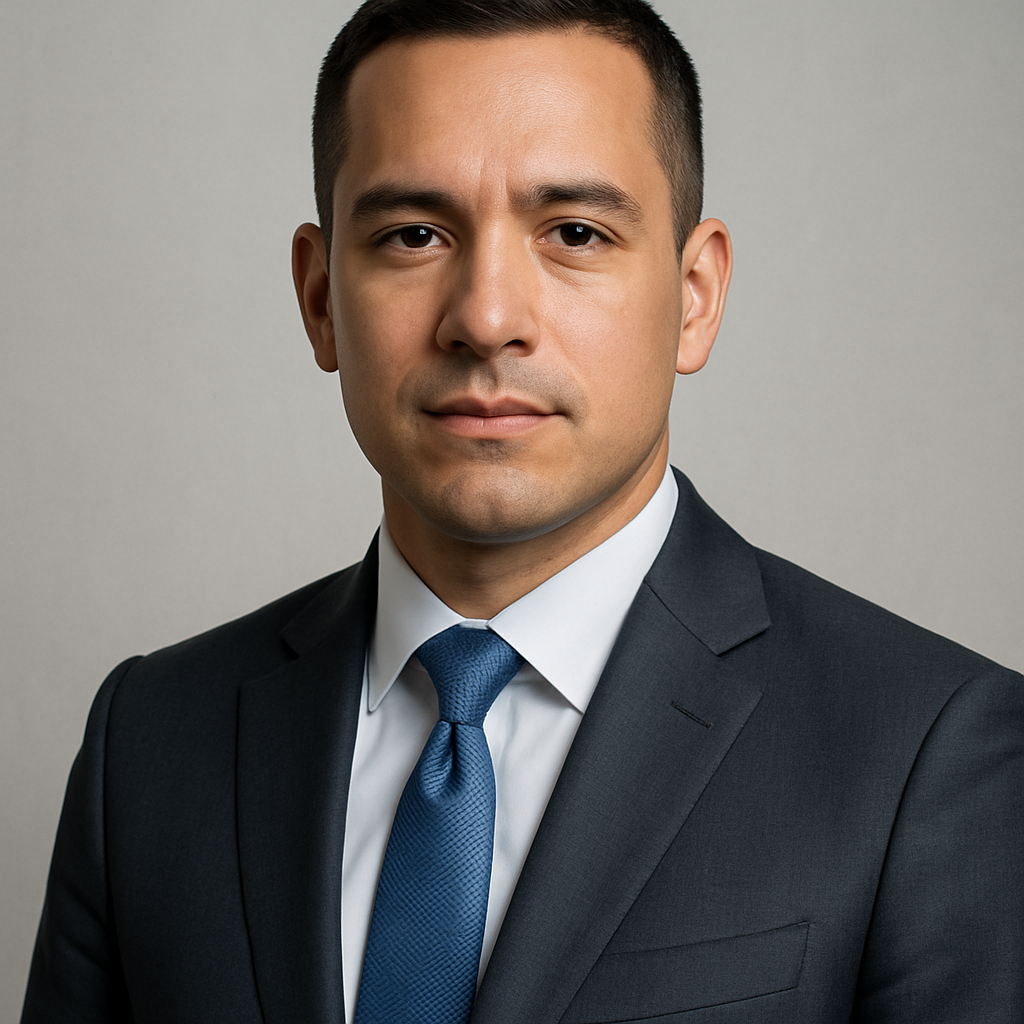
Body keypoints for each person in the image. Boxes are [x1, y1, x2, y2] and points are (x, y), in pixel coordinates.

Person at [22, 1, 1023, 1021]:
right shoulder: (147, 744)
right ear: (321, 298)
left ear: (693, 294)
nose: (486, 316)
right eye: (413, 233)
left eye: (575, 232)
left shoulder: (931, 754)